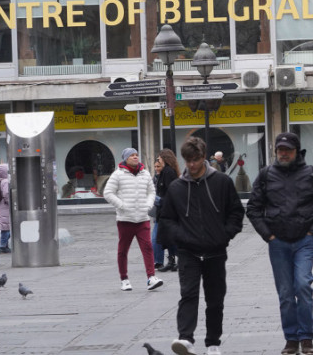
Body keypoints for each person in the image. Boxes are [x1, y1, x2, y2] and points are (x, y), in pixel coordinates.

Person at [247, 132, 313, 355]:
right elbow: (253, 209)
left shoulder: (312, 173)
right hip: (277, 243)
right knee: (286, 293)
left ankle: (306, 337)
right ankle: (291, 339)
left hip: (304, 241)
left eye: (288, 150)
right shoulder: (266, 175)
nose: (283, 153)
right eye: (280, 150)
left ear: (297, 151)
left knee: (303, 286)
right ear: (275, 151)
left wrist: (312, 232)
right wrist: (268, 236)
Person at [160, 136, 245, 355]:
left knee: (215, 300)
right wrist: (181, 237)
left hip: (215, 251)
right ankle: (185, 339)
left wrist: (224, 235)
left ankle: (213, 343)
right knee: (188, 294)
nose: (191, 164)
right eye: (188, 160)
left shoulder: (221, 182)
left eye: (196, 159)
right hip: (188, 251)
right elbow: (167, 219)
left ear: (203, 157)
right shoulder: (177, 187)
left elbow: (236, 212)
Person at [102, 148, 162, 292]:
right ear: (125, 158)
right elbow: (108, 193)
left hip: (142, 218)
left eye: (136, 155)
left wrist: (148, 204)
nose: (135, 157)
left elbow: (151, 192)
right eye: (132, 156)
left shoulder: (145, 173)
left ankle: (151, 277)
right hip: (125, 219)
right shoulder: (117, 174)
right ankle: (124, 279)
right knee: (123, 250)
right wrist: (121, 205)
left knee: (147, 247)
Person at [152, 149, 180, 273]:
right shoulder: (165, 172)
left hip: (167, 211)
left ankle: (173, 261)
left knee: (161, 237)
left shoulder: (168, 172)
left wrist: (160, 200)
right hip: (164, 211)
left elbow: (171, 191)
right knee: (167, 238)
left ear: (164, 158)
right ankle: (172, 261)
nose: (158, 161)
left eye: (159, 159)